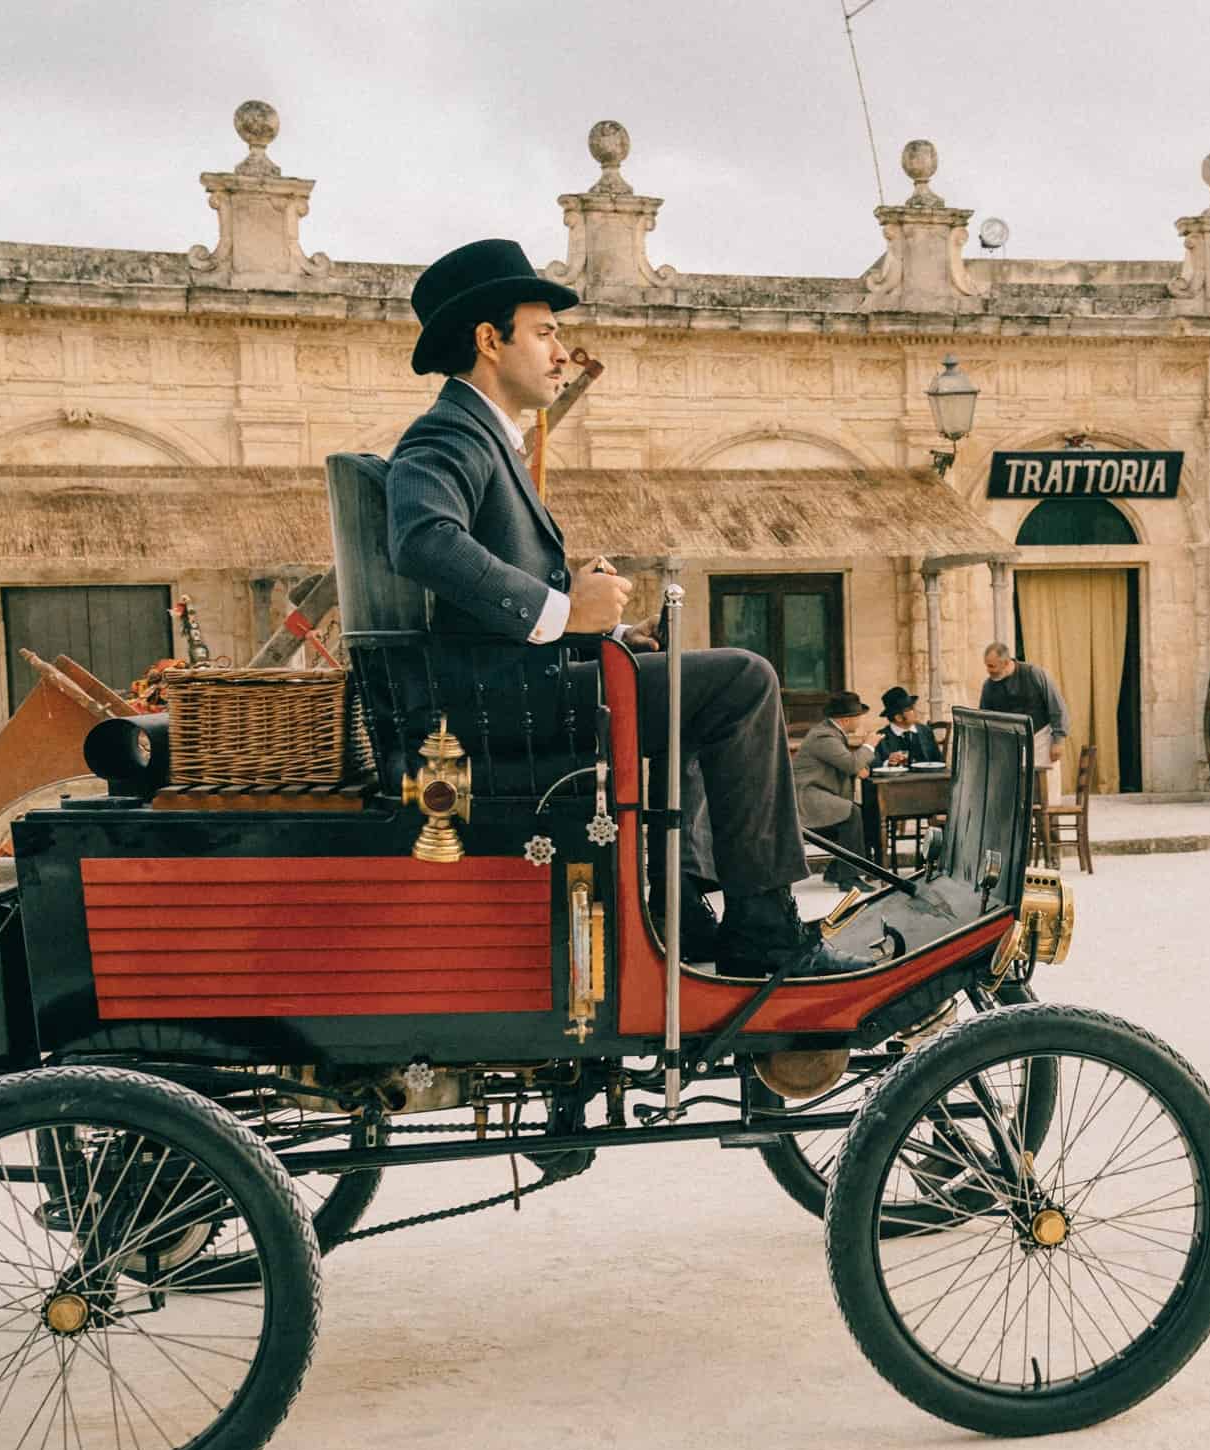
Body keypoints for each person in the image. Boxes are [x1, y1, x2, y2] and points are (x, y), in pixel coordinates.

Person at [385, 238, 863, 980]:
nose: (560, 351)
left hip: (504, 689)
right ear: (489, 339)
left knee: (677, 675)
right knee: (743, 680)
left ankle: (683, 904)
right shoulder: (448, 431)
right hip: (490, 705)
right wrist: (562, 611)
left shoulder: (486, 437)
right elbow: (422, 541)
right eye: (544, 332)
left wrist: (607, 631)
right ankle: (763, 927)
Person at [794, 691, 881, 886]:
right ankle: (849, 878)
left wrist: (857, 767)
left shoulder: (830, 732)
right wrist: (869, 746)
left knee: (862, 814)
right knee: (852, 813)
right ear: (846, 720)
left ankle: (836, 870)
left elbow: (845, 764)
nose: (860, 721)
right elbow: (850, 763)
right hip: (807, 798)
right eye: (859, 717)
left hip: (817, 793)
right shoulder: (824, 736)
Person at [978, 642, 1068, 770]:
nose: (988, 671)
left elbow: (1057, 706)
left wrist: (1058, 741)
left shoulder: (1034, 674)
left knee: (1044, 787)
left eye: (992, 666)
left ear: (1006, 663)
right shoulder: (988, 686)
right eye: (987, 666)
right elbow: (984, 719)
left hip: (1041, 741)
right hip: (1010, 748)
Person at [876, 686, 941, 766]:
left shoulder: (925, 731)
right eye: (910, 709)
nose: (916, 711)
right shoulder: (882, 737)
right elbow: (875, 765)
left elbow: (939, 761)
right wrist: (887, 763)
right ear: (898, 717)